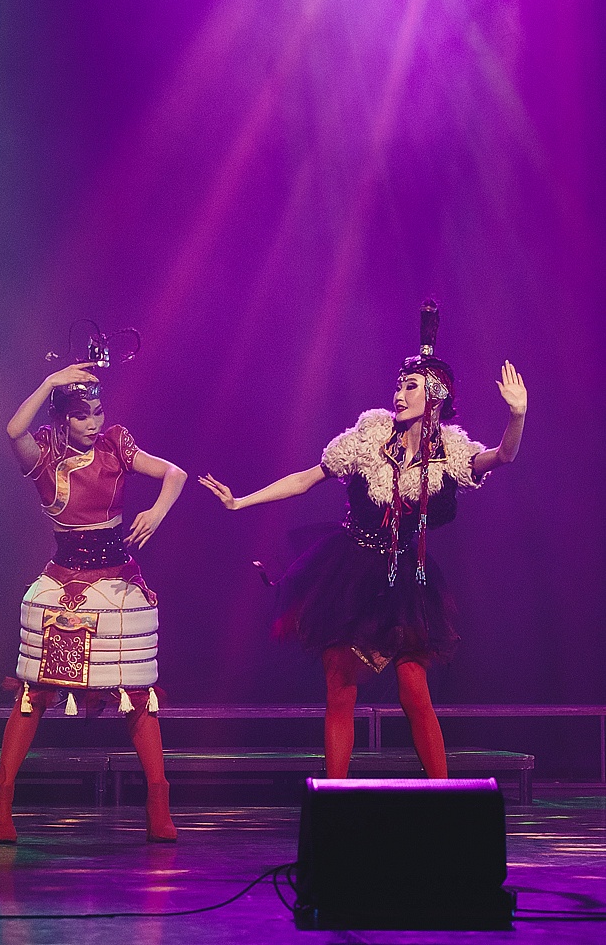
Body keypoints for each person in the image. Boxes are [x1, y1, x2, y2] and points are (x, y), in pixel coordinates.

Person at [200, 301, 527, 780]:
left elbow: (501, 457)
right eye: (398, 384)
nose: (399, 393)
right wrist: (241, 501)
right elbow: (306, 478)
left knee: (415, 690)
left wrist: (517, 416)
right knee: (340, 688)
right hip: (350, 573)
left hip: (406, 579)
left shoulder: (450, 451)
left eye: (410, 386)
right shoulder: (369, 436)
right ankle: (334, 796)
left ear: (435, 396)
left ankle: (444, 797)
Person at [0, 363, 187, 844]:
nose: (94, 422)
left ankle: (158, 801)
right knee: (37, 691)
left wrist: (156, 511)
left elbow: (174, 473)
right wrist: (48, 383)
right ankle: (1, 797)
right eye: (82, 415)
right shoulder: (44, 454)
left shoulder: (116, 443)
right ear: (63, 418)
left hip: (117, 580)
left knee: (137, 690)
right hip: (65, 582)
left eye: (98, 412)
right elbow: (13, 430)